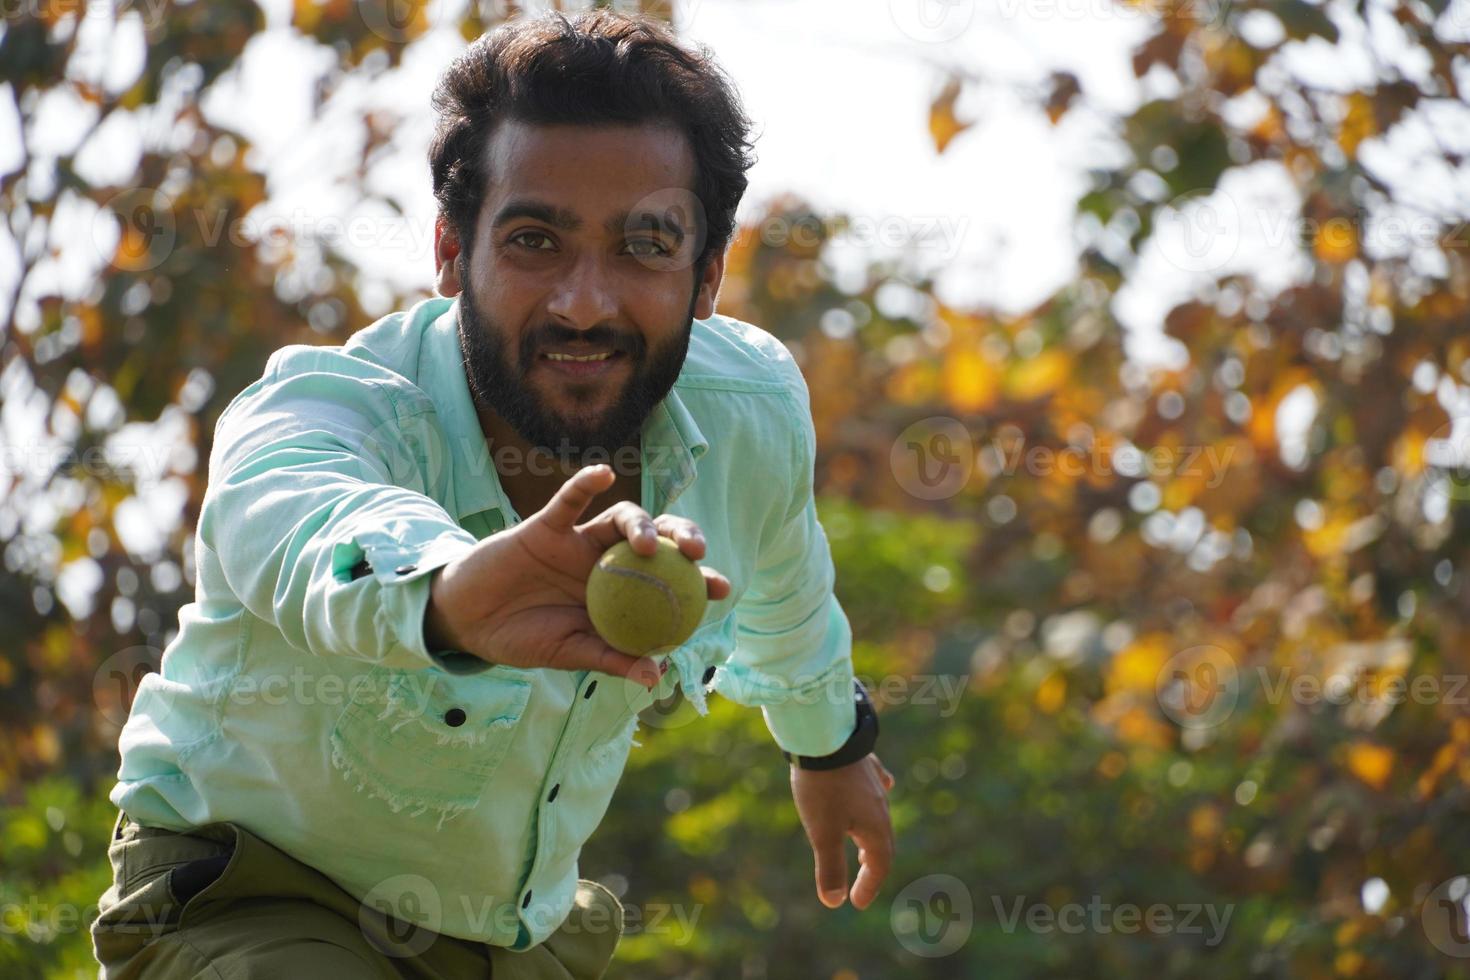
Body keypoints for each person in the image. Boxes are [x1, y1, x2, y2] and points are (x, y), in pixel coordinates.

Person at [90, 9, 896, 978]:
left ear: (709, 273)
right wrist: (449, 591)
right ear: (448, 250)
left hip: (513, 930)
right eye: (534, 241)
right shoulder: (328, 406)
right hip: (253, 889)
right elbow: (295, 523)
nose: (584, 302)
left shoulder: (749, 412)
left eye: (644, 246)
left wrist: (833, 747)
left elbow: (786, 595)